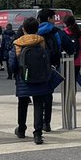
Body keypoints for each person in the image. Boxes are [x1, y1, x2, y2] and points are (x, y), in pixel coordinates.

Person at [9, 16, 54, 145]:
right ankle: (38, 133)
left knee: (22, 104)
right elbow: (48, 59)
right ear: (37, 29)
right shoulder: (42, 42)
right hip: (40, 78)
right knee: (38, 104)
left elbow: (12, 63)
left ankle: (21, 129)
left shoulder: (17, 44)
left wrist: (16, 73)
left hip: (23, 78)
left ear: (23, 29)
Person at [36, 8, 74, 132]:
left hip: (36, 67)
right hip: (52, 67)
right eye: (53, 18)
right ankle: (46, 122)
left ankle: (38, 123)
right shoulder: (57, 32)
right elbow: (70, 48)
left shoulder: (34, 31)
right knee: (48, 94)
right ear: (49, 19)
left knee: (38, 96)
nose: (55, 20)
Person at [62, 14, 81, 87]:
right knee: (73, 83)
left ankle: (66, 98)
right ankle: (72, 97)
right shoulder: (79, 33)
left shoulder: (63, 33)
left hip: (65, 61)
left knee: (65, 82)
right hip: (76, 61)